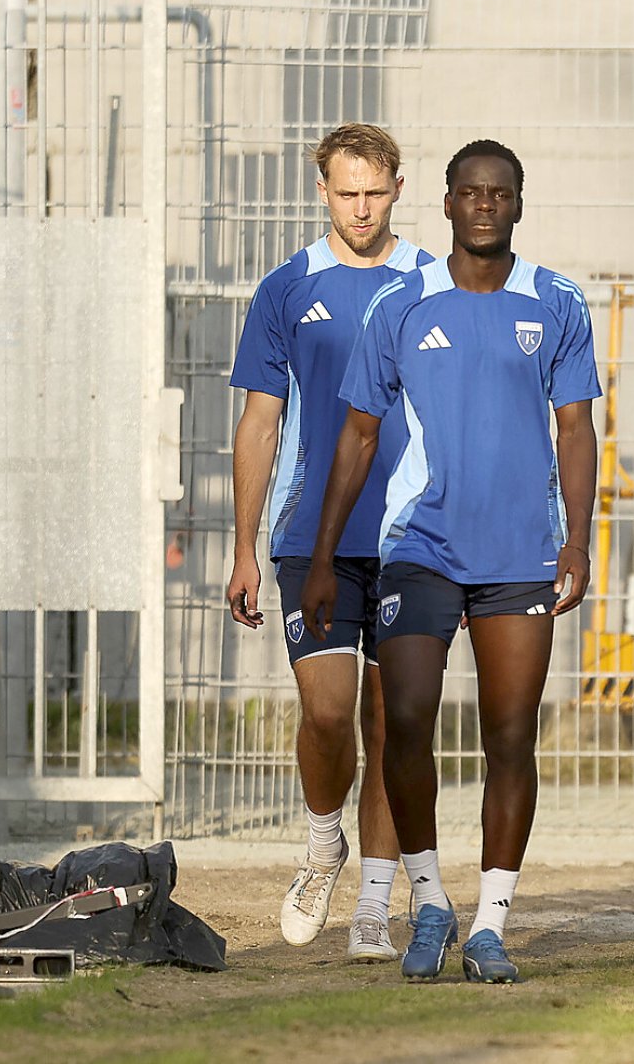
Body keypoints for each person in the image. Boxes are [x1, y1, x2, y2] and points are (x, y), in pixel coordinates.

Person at [300, 140, 600, 984]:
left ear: (517, 204)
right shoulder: (401, 302)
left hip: (520, 557)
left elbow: (575, 429)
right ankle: (429, 902)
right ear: (444, 202)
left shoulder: (557, 301)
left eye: (498, 194)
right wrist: (323, 556)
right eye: (469, 192)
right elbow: (359, 435)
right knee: (407, 722)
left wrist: (576, 540)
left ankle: (491, 923)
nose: (483, 206)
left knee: (509, 738)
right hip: (420, 550)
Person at [226, 123, 431, 962]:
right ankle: (322, 846)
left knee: (396, 722)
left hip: (415, 536)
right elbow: (260, 421)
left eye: (374, 192)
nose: (360, 208)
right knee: (326, 711)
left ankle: (376, 908)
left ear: (397, 189)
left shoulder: (433, 281)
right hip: (312, 537)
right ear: (322, 191)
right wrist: (243, 547)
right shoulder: (286, 289)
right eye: (346, 193)